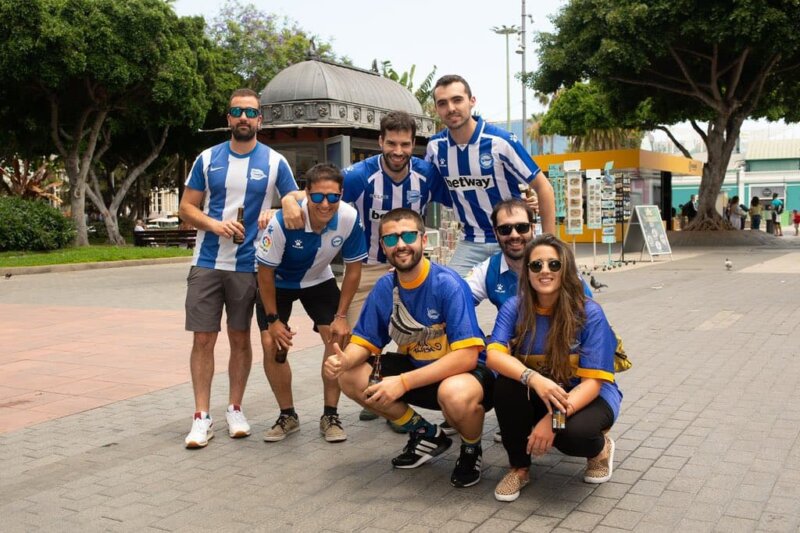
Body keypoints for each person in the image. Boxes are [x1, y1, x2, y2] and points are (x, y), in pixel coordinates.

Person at [324, 208, 493, 488]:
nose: (400, 244)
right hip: (419, 371)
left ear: (423, 241)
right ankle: (427, 434)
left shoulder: (447, 284)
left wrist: (402, 382)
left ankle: (471, 448)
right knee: (350, 376)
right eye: (391, 239)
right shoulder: (385, 287)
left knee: (454, 395)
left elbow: (467, 356)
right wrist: (343, 360)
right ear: (383, 247)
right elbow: (365, 341)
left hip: (463, 375)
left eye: (408, 236)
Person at [179, 88, 303, 449]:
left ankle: (235, 407)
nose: (244, 117)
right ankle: (201, 416)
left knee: (239, 338)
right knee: (203, 339)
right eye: (237, 111)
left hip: (249, 266)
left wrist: (277, 211)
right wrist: (216, 225)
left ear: (260, 120)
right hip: (206, 262)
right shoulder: (207, 158)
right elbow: (187, 207)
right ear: (229, 118)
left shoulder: (275, 161)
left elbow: (296, 198)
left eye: (251, 112)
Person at [486, 234, 622, 502]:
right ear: (526, 272)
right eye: (536, 265)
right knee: (504, 385)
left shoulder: (589, 313)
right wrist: (534, 379)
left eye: (554, 265)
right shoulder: (515, 307)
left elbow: (592, 384)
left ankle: (600, 450)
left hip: (585, 397)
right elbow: (493, 355)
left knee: (572, 435)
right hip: (543, 391)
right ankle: (519, 468)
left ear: (566, 269)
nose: (545, 271)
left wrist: (551, 421)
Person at [256, 163, 366, 443]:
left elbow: (353, 270)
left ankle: (330, 415)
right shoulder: (283, 221)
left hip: (318, 279)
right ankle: (287, 415)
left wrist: (341, 316)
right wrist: (273, 321)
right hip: (278, 282)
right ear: (306, 194)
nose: (325, 204)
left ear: (342, 194)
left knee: (337, 338)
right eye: (317, 197)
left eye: (333, 197)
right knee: (272, 343)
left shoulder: (349, 217)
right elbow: (264, 275)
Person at [425, 74, 556, 276]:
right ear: (437, 109)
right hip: (470, 241)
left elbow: (544, 187)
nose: (451, 108)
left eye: (457, 100)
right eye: (443, 103)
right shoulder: (435, 147)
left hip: (514, 239)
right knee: (445, 294)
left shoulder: (500, 142)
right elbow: (423, 190)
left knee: (542, 296)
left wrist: (549, 245)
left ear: (472, 101)